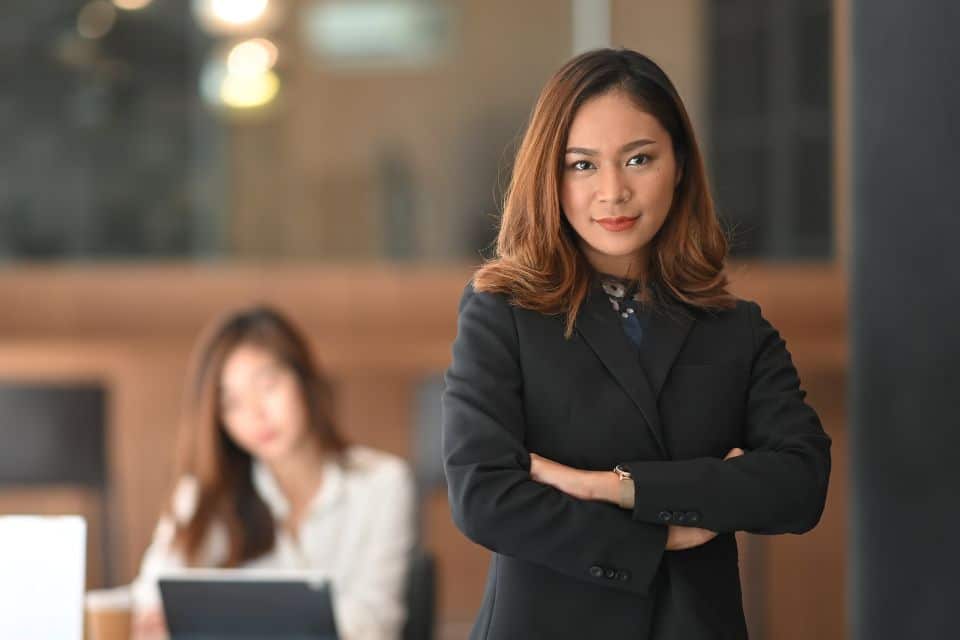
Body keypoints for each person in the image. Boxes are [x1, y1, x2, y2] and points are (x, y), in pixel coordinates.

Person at [441, 48, 831, 639]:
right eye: (582, 165)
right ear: (550, 175)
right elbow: (484, 496)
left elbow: (800, 485)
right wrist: (663, 532)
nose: (613, 192)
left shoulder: (735, 328)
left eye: (639, 158)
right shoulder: (503, 313)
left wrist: (617, 488)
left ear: (679, 166)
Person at [130, 306, 415, 640]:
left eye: (267, 386)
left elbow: (374, 624)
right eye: (231, 403)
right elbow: (151, 599)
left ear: (305, 380)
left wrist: (226, 621)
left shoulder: (382, 484)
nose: (255, 414)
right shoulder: (205, 493)